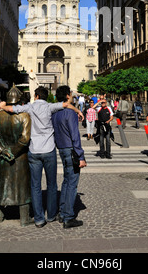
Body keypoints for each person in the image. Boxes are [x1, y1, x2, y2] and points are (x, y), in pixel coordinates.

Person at [0, 86, 84, 228]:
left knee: (35, 185)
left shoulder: (29, 107)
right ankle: (51, 215)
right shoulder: (50, 107)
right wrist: (78, 111)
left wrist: (2, 106)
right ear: (45, 96)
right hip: (49, 149)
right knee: (52, 184)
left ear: (36, 96)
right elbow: (66, 104)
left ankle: (39, 219)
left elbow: (11, 109)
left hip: (34, 150)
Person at [0, 85, 31, 226]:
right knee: (21, 189)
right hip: (20, 157)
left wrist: (3, 151)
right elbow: (24, 139)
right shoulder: (24, 116)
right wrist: (12, 152)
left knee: (2, 187)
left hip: (3, 157)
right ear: (19, 100)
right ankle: (24, 219)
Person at [51, 85, 87, 228]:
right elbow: (75, 135)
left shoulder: (55, 113)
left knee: (66, 181)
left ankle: (62, 212)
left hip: (61, 148)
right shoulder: (70, 113)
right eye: (70, 94)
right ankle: (68, 217)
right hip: (71, 150)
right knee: (72, 183)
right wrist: (81, 156)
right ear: (67, 96)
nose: (72, 96)